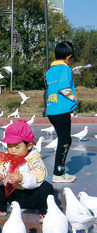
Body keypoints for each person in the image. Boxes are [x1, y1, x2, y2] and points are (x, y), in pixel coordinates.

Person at [0, 120, 54, 221]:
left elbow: (39, 176)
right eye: (9, 146)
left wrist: (22, 178)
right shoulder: (6, 157)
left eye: (17, 147)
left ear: (29, 146)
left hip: (31, 195)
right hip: (12, 195)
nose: (13, 150)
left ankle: (45, 211)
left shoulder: (34, 159)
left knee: (46, 187)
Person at [46, 41, 78, 183]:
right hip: (61, 110)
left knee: (63, 139)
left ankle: (59, 171)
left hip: (52, 110)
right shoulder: (65, 69)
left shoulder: (50, 70)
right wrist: (75, 99)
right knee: (65, 141)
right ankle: (59, 173)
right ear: (68, 57)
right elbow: (64, 88)